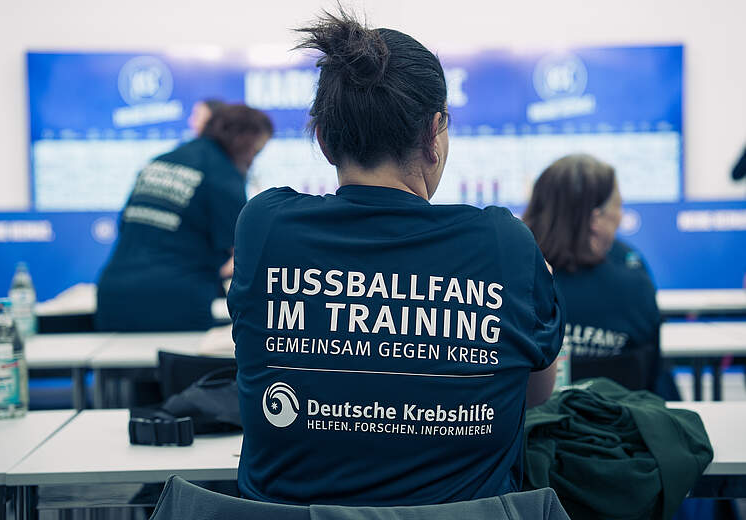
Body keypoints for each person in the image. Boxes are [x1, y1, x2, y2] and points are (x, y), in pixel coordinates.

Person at [228, 9, 564, 506]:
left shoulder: (265, 227)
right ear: (433, 134)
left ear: (323, 140)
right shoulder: (505, 245)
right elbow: (532, 395)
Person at [96, 104, 273, 332]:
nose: (254, 159)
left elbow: (126, 226)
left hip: (113, 296)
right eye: (257, 150)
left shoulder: (160, 161)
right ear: (246, 142)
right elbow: (243, 252)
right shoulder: (223, 173)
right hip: (174, 301)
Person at [523, 154, 661, 391]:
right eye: (618, 206)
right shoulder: (636, 289)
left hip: (532, 415)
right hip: (617, 413)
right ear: (596, 220)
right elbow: (652, 377)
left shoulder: (510, 285)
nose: (620, 216)